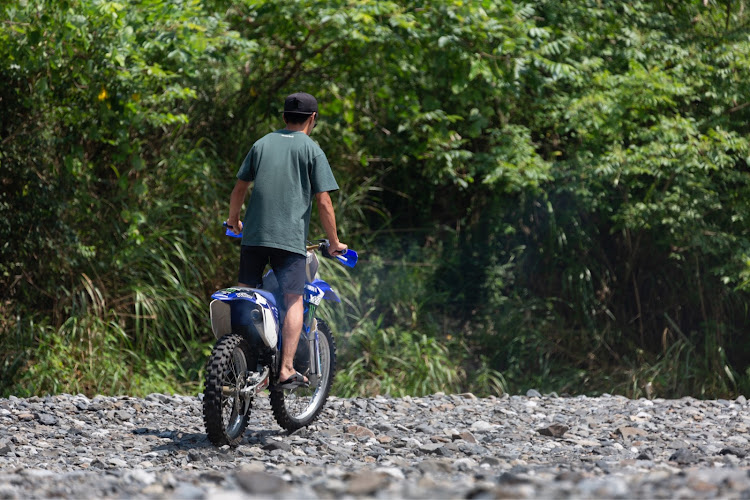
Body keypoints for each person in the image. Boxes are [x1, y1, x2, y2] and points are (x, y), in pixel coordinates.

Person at [225, 92, 347, 389]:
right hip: (288, 240)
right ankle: (286, 369)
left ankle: (241, 357)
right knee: (294, 298)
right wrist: (334, 242)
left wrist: (233, 221)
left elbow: (240, 187)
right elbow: (324, 201)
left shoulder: (261, 144)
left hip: (252, 237)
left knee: (245, 292)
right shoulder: (311, 149)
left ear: (283, 118)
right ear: (313, 119)